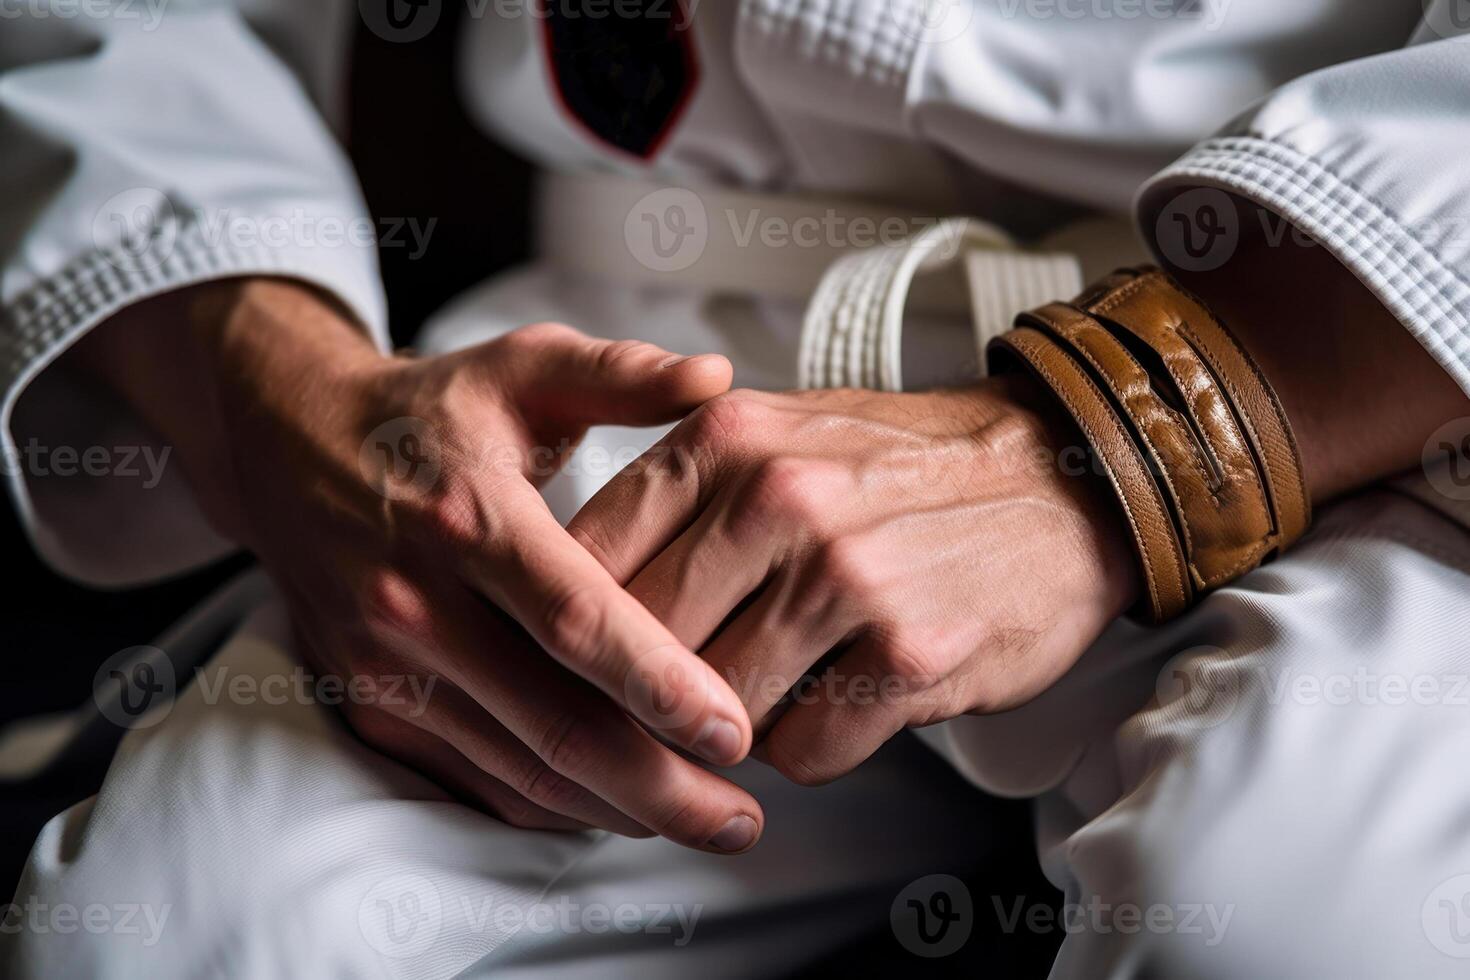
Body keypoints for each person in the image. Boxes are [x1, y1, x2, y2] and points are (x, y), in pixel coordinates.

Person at [3, 1, 1470, 976]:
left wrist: (1123, 438)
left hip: (1359, 363)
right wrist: (274, 383)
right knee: (166, 940)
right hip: (651, 342)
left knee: (1285, 932)